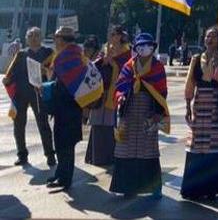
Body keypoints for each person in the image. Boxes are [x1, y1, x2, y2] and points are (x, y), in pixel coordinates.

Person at [181, 26, 218, 200]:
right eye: (207, 37)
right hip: (200, 104)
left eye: (213, 37)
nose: (209, 40)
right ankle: (194, 187)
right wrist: (187, 104)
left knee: (214, 146)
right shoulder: (196, 58)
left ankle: (212, 187)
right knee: (196, 145)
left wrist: (214, 63)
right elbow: (190, 82)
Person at [110, 32, 169, 198]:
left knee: (148, 150)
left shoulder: (157, 67)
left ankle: (154, 187)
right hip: (129, 110)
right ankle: (127, 187)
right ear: (136, 48)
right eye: (141, 46)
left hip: (148, 110)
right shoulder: (129, 66)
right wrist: (120, 97)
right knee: (125, 149)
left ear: (153, 48)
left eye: (148, 46)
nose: (144, 49)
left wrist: (158, 112)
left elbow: (162, 91)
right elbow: (120, 86)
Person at [2, 27, 55, 167]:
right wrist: (7, 80)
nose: (33, 38)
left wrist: (43, 70)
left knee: (43, 124)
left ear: (41, 37)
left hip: (39, 93)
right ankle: (22, 155)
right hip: (21, 93)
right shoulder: (21, 55)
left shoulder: (48, 53)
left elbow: (53, 73)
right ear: (26, 38)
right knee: (18, 125)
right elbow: (12, 72)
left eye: (36, 35)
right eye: (30, 35)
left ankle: (50, 154)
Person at [45, 27, 88, 191]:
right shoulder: (75, 53)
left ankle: (65, 178)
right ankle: (60, 174)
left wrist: (46, 86)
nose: (54, 41)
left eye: (55, 38)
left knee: (65, 145)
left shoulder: (66, 56)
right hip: (68, 108)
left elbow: (65, 85)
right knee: (63, 144)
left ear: (61, 40)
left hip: (67, 107)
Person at [85, 26, 130, 167]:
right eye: (111, 34)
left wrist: (113, 64)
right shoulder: (105, 48)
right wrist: (103, 60)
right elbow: (95, 64)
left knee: (109, 122)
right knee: (97, 120)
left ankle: (107, 157)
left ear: (121, 36)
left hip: (114, 90)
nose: (112, 36)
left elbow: (127, 69)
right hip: (101, 89)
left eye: (115, 34)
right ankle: (94, 156)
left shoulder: (126, 51)